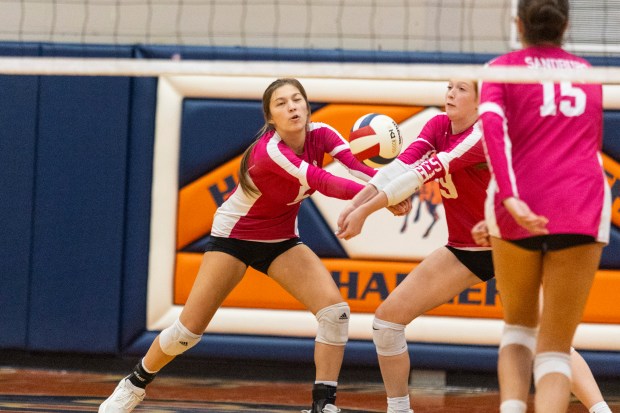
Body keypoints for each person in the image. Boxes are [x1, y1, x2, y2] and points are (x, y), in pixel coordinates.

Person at [99, 78, 397, 413]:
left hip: (281, 240)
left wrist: (392, 189)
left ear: (307, 106)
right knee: (187, 332)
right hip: (235, 239)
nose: (293, 107)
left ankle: (322, 405)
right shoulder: (271, 152)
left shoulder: (322, 133)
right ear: (271, 118)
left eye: (297, 99)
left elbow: (357, 167)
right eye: (281, 103)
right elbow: (323, 182)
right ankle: (134, 384)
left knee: (335, 313)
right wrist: (383, 200)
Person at [335, 78, 611, 413]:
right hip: (465, 247)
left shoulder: (483, 134)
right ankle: (399, 409)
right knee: (387, 321)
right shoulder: (438, 125)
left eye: (462, 89)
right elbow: (397, 169)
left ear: (481, 103)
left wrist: (365, 211)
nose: (450, 93)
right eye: (449, 86)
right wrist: (354, 205)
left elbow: (423, 173)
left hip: (510, 244)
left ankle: (600, 410)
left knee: (548, 338)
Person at [478, 0, 611, 412]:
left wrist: (510, 198)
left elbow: (492, 134)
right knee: (555, 348)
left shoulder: (501, 68)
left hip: (521, 202)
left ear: (518, 24)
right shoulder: (589, 74)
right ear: (566, 25)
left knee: (518, 329)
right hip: (583, 204)